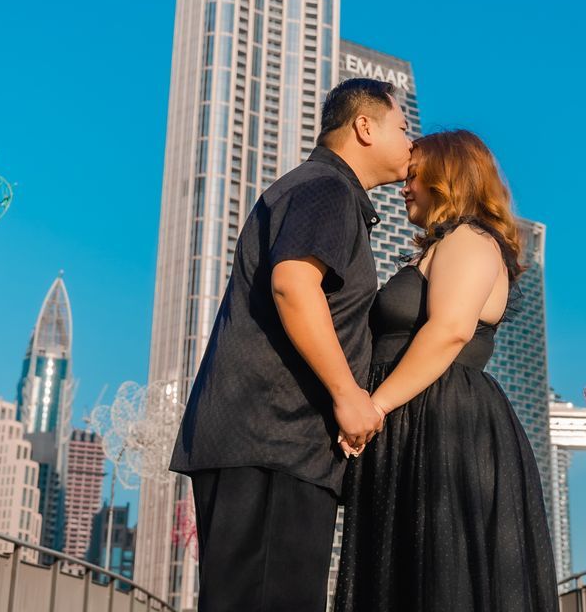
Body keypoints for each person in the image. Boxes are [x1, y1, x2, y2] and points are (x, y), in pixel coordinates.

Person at [170, 77, 414, 611]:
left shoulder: (321, 190)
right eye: (402, 128)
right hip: (271, 445)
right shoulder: (327, 188)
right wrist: (347, 394)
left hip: (275, 447)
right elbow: (294, 284)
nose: (410, 143)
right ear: (365, 127)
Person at [333, 129, 559, 612]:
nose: (404, 187)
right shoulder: (442, 246)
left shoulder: (470, 238)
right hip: (416, 420)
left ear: (446, 176)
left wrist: (374, 407)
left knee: (441, 572)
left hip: (443, 423)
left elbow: (451, 330)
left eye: (413, 176)